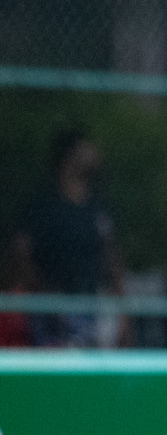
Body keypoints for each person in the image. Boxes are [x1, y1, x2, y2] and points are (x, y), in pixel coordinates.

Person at [7, 130, 124, 347]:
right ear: (68, 155)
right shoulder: (44, 209)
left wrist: (123, 312)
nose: (94, 152)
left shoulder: (96, 208)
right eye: (86, 146)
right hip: (53, 310)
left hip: (93, 306)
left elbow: (111, 258)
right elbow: (20, 254)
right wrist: (43, 296)